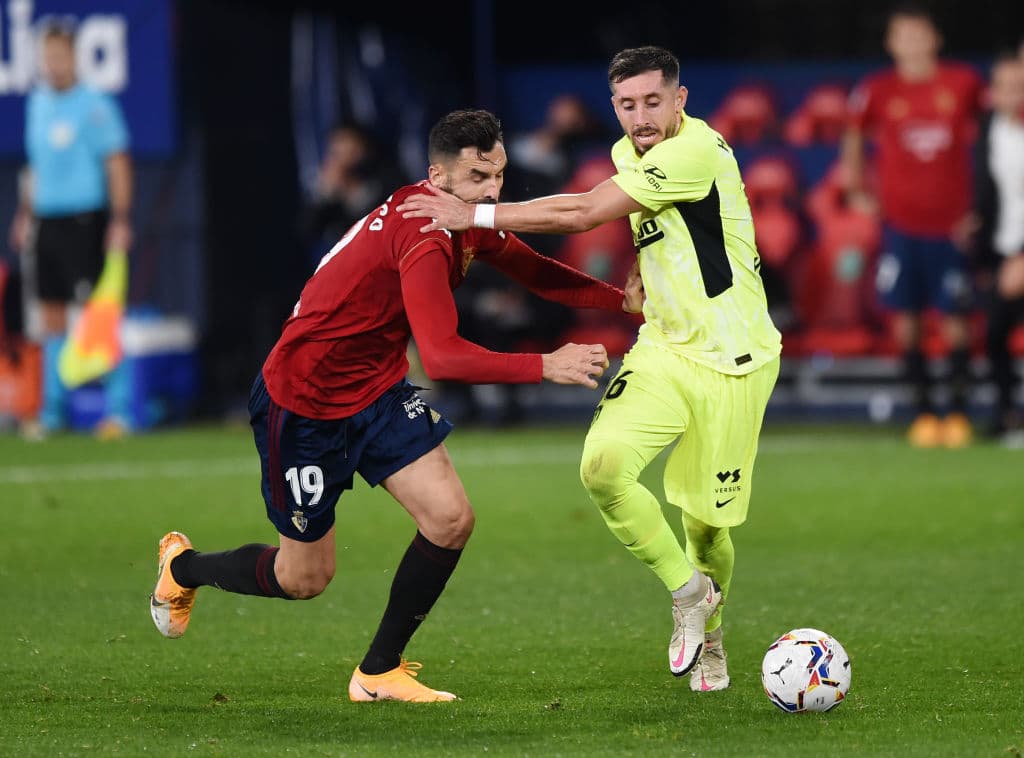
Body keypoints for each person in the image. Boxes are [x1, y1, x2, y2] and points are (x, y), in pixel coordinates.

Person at [149, 109, 636, 703]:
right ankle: (183, 569)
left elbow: (534, 271)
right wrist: (545, 365)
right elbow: (445, 358)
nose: (492, 192)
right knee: (303, 579)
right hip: (303, 403)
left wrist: (623, 304)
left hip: (376, 391)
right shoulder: (425, 233)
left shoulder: (465, 217)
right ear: (438, 175)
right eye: (479, 177)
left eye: (499, 175)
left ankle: (379, 671)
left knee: (451, 518)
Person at [399, 46, 782, 693]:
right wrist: (636, 287)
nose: (640, 117)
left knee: (706, 525)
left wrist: (474, 214)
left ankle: (712, 640)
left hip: (735, 360)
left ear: (680, 100)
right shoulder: (626, 154)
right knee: (602, 467)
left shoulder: (696, 151)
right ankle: (688, 595)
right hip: (664, 348)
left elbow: (582, 213)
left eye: (653, 102)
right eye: (627, 105)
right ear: (615, 107)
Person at [841, 2, 984, 448]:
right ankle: (924, 414)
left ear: (935, 38)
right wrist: (858, 188)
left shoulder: (963, 84)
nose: (912, 41)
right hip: (900, 227)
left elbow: (990, 142)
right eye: (903, 34)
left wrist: (982, 207)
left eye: (920, 33)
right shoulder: (878, 90)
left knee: (957, 320)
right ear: (891, 43)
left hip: (953, 226)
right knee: (907, 322)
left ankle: (958, 414)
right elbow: (853, 135)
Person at [7, 20, 133, 440]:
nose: (53, 65)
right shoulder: (38, 103)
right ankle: (51, 413)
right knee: (51, 317)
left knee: (100, 315)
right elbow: (36, 167)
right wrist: (26, 214)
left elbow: (117, 163)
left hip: (86, 221)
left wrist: (119, 220)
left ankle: (120, 411)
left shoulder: (95, 105)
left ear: (74, 57)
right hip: (47, 222)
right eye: (47, 58)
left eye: (60, 57)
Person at [971, 54, 1024, 443]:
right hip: (1001, 250)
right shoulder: (988, 128)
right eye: (1006, 86)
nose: (1014, 94)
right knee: (994, 335)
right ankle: (1007, 416)